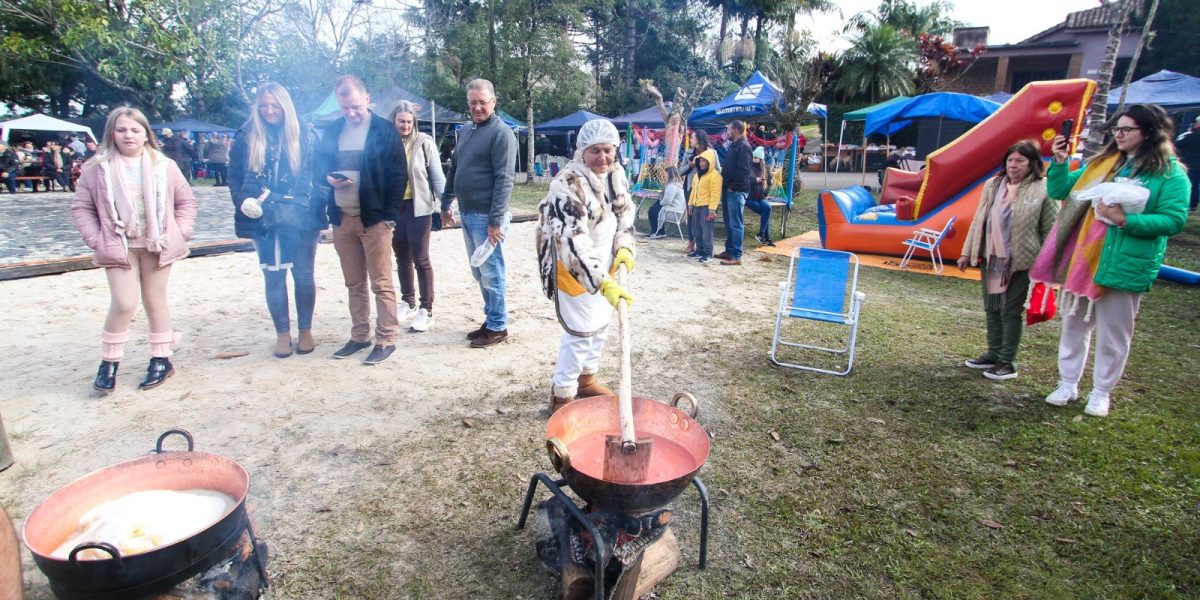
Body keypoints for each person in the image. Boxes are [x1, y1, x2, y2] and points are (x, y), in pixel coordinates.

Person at [1032, 104, 1190, 417]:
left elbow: (1173, 220)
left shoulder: (1169, 174)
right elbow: (1062, 190)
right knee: (1075, 324)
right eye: (1117, 128)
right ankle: (1067, 383)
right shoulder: (1103, 164)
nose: (1118, 134)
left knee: (1113, 333)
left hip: (1125, 261)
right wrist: (1061, 163)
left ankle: (1101, 391)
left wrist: (1124, 220)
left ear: (1148, 132)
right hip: (1085, 259)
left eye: (1126, 128)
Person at [71, 106, 197, 392]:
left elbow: (186, 202)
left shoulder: (164, 166)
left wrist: (180, 233)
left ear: (145, 134)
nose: (128, 135)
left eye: (135, 130)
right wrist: (96, 239)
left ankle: (161, 358)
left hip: (156, 243)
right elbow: (82, 207)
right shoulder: (97, 167)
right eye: (121, 129)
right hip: (120, 244)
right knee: (124, 303)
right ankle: (110, 362)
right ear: (111, 133)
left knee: (155, 300)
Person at [537, 119, 636, 413]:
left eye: (608, 150)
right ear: (582, 151)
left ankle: (586, 379)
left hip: (605, 260)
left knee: (602, 324)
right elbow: (572, 241)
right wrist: (600, 282)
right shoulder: (566, 185)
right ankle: (562, 395)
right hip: (575, 268)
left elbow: (624, 213)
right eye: (595, 151)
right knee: (581, 332)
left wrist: (624, 248)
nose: (603, 157)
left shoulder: (615, 174)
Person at [313, 75, 407, 364]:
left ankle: (386, 338)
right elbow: (318, 167)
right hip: (342, 218)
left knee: (381, 282)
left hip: (375, 219)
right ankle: (359, 336)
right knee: (353, 283)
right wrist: (327, 178)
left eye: (355, 106)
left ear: (367, 99)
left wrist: (390, 217)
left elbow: (397, 175)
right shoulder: (332, 131)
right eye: (345, 108)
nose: (351, 113)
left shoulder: (383, 130)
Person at [229, 82, 326, 359]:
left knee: (304, 273)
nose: (270, 111)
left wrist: (317, 203)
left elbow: (320, 173)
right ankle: (282, 333)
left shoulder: (305, 133)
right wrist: (242, 201)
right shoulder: (247, 135)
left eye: (275, 105)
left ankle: (305, 330)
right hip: (264, 214)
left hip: (302, 212)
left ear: (285, 106)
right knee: (273, 273)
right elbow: (234, 175)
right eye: (264, 106)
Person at [955, 140, 1057, 381]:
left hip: (1022, 259)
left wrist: (1047, 263)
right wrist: (966, 251)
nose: (1013, 165)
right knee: (992, 307)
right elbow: (979, 219)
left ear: (1032, 163)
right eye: (1010, 160)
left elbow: (1051, 228)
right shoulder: (993, 185)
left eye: (1020, 161)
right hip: (992, 256)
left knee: (1010, 310)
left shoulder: (1043, 188)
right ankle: (993, 353)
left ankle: (1007, 361)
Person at [440, 78, 517, 348]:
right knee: (479, 272)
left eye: (483, 102)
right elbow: (454, 169)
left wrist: (496, 221)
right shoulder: (466, 131)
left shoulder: (501, 133)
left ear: (493, 102)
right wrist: (446, 201)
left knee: (492, 271)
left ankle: (498, 326)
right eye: (473, 103)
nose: (477, 107)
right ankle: (491, 317)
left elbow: (505, 179)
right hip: (468, 212)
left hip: (487, 216)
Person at [390, 101, 445, 333]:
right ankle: (408, 301)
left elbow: (437, 175)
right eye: (401, 121)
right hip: (394, 207)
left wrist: (446, 204)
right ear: (394, 121)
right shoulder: (388, 143)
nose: (405, 125)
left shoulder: (424, 142)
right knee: (401, 256)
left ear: (415, 123)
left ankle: (427, 309)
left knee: (421, 258)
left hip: (419, 207)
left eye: (409, 122)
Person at [715, 120, 752, 266]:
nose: (727, 132)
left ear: (735, 130)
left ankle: (736, 255)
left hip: (736, 190)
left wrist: (733, 187)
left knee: (736, 224)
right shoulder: (734, 145)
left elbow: (744, 171)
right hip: (728, 189)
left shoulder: (743, 146)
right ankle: (729, 250)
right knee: (729, 222)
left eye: (729, 130)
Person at [687, 141, 722, 263]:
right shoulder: (697, 175)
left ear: (710, 162)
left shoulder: (715, 176)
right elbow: (693, 191)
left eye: (704, 161)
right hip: (697, 206)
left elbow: (715, 194)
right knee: (696, 229)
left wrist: (712, 209)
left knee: (707, 231)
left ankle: (708, 253)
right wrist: (690, 204)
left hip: (707, 207)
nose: (701, 163)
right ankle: (699, 250)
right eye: (700, 161)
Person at [743, 146, 775, 247]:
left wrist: (765, 193)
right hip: (749, 197)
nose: (754, 159)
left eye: (756, 157)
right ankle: (767, 238)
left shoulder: (765, 168)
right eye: (753, 157)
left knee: (767, 208)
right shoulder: (748, 166)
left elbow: (769, 183)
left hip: (761, 197)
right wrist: (754, 181)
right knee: (765, 212)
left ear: (761, 159)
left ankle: (761, 234)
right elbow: (744, 180)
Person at [646, 166, 685, 238]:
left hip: (674, 213)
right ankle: (660, 231)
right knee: (655, 207)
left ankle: (656, 231)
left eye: (665, 174)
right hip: (679, 211)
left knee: (652, 210)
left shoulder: (672, 186)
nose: (663, 176)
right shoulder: (679, 184)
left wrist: (660, 202)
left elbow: (667, 201)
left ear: (669, 175)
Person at [1173, 115, 1200, 211]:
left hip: (1188, 165)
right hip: (1197, 165)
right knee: (1196, 185)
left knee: (1187, 184)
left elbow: (1174, 147)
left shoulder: (1187, 136)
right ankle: (1193, 205)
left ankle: (1186, 204)